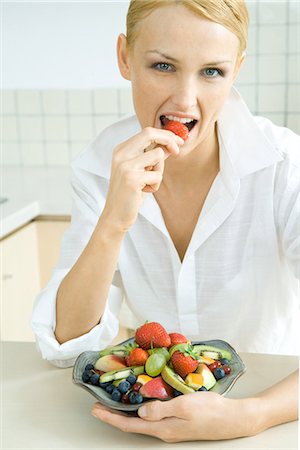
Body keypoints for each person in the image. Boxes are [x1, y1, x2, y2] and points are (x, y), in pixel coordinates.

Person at [31, 0, 299, 442]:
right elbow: (67, 344)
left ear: (237, 69)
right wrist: (113, 222)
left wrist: (251, 416)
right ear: (125, 58)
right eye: (162, 65)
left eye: (212, 72)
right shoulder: (99, 169)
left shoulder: (285, 165)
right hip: (146, 422)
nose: (184, 99)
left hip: (275, 413)